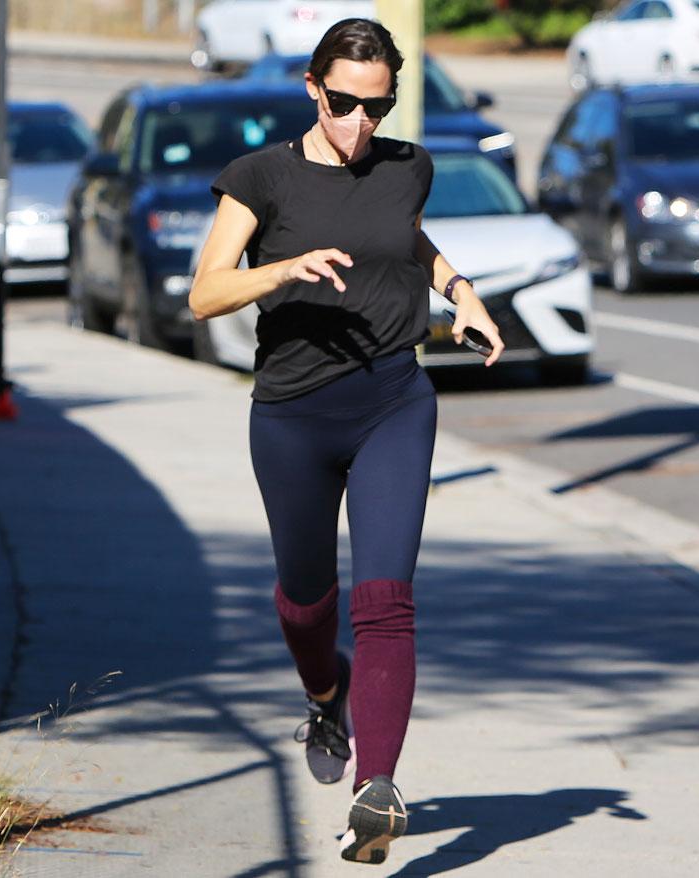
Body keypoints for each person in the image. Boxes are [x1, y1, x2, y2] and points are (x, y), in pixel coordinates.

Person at [189, 17, 504, 866]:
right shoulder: (262, 179)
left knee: (386, 599)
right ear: (311, 89)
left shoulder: (410, 166)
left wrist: (459, 290)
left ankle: (379, 790)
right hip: (292, 415)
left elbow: (405, 236)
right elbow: (205, 294)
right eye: (343, 103)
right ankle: (325, 692)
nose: (361, 123)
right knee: (305, 601)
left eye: (379, 105)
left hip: (395, 402)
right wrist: (282, 269)